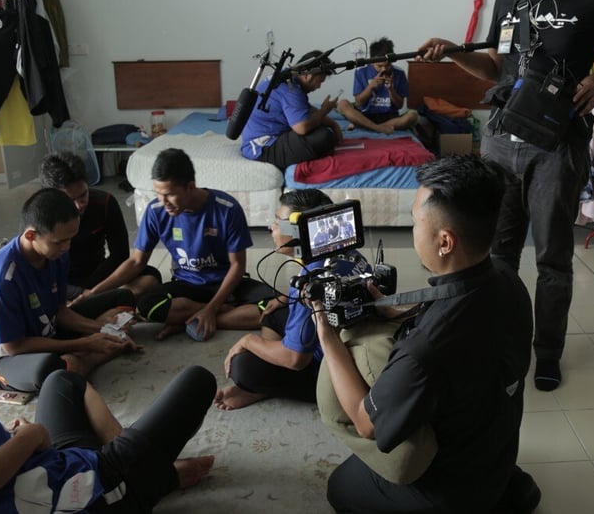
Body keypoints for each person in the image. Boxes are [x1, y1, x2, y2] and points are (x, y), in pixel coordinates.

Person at [418, 0, 594, 392]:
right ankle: (497, 344)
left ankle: (547, 352)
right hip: (501, 141)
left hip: (556, 145)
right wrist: (454, 52)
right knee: (495, 254)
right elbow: (493, 68)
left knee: (552, 258)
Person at [314, 155, 540, 513]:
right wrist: (396, 311)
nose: (412, 229)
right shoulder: (507, 278)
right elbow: (460, 309)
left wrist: (327, 336)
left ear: (445, 241)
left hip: (447, 491)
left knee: (340, 485)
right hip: (494, 459)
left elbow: (365, 422)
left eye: (414, 221)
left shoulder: (423, 352)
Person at [0, 335, 217, 513]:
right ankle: (145, 476)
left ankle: (136, 461)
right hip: (88, 495)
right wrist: (28, 438)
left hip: (54, 476)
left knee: (59, 381)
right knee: (198, 380)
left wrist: (11, 441)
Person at [0, 188, 140, 393]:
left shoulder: (56, 255)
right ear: (31, 235)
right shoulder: (1, 280)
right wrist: (84, 343)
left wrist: (104, 330)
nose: (67, 247)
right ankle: (83, 359)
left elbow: (60, 311)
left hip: (46, 331)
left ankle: (86, 356)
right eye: (60, 242)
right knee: (51, 370)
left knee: (123, 298)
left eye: (70, 239)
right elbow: (12, 346)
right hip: (3, 356)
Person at [88, 148, 272, 341]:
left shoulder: (227, 209)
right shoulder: (156, 211)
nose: (164, 202)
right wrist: (94, 293)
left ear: (190, 187)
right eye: (158, 194)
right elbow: (136, 262)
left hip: (227, 284)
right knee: (148, 305)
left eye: (169, 194)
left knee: (276, 306)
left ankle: (189, 319)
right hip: (187, 285)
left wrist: (211, 310)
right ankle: (226, 313)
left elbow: (237, 266)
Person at [214, 189, 371, 410]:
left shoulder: (310, 281)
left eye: (278, 222)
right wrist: (285, 299)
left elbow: (296, 360)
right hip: (355, 349)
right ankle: (272, 373)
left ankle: (265, 386)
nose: (272, 227)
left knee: (243, 367)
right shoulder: (348, 253)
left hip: (330, 374)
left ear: (298, 230)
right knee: (274, 311)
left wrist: (248, 341)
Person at [39, 152, 162, 300]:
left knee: (151, 278)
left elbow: (120, 256)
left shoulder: (104, 203)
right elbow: (37, 271)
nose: (79, 205)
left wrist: (93, 290)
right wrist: (78, 292)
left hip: (98, 276)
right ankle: (96, 304)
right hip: (61, 283)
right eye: (70, 200)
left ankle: (90, 304)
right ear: (51, 197)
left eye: (83, 195)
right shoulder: (39, 214)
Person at [240, 50, 343, 171]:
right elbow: (302, 127)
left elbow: (305, 110)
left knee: (320, 127)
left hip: (265, 138)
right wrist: (324, 110)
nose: (318, 87)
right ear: (308, 76)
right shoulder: (291, 89)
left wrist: (333, 124)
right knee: (324, 137)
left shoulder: (287, 76)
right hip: (262, 146)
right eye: (320, 81)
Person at [336, 37, 419, 134]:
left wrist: (391, 90)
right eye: (379, 66)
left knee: (413, 115)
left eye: (387, 65)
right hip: (365, 115)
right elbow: (358, 103)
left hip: (389, 117)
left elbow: (399, 105)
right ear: (372, 61)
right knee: (342, 104)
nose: (384, 69)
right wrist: (370, 87)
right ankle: (378, 128)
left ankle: (368, 126)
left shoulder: (399, 73)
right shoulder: (361, 72)